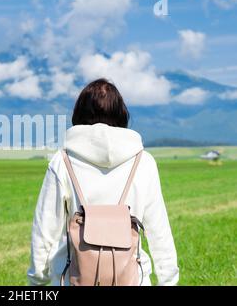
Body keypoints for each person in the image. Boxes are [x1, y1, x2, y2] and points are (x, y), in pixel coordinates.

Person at [27, 79, 179, 286]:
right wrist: (168, 280)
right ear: (121, 114)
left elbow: (45, 228)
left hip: (72, 277)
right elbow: (158, 228)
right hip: (133, 278)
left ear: (79, 114)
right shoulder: (144, 161)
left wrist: (38, 279)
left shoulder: (62, 160)